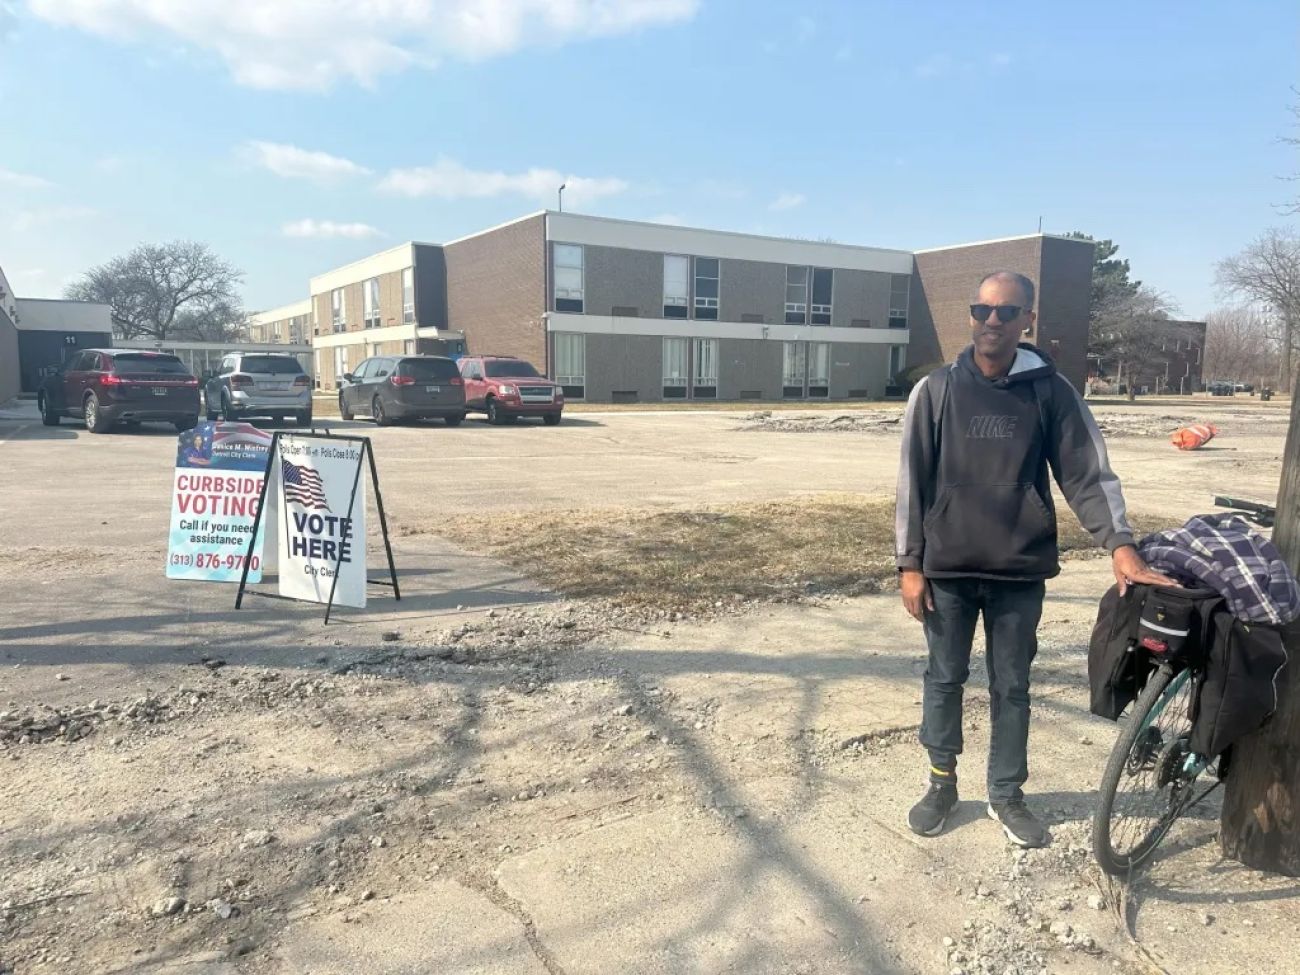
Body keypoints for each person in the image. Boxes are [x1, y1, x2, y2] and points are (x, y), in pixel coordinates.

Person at [894, 270, 1173, 848]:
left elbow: (1087, 473)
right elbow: (911, 483)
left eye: (1005, 312)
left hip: (1018, 571)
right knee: (943, 679)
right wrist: (910, 564)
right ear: (971, 316)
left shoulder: (1050, 391)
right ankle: (941, 784)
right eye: (982, 310)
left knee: (1012, 685)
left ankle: (1006, 793)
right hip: (947, 569)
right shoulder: (938, 390)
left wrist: (1120, 544)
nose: (991, 321)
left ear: (1028, 320)